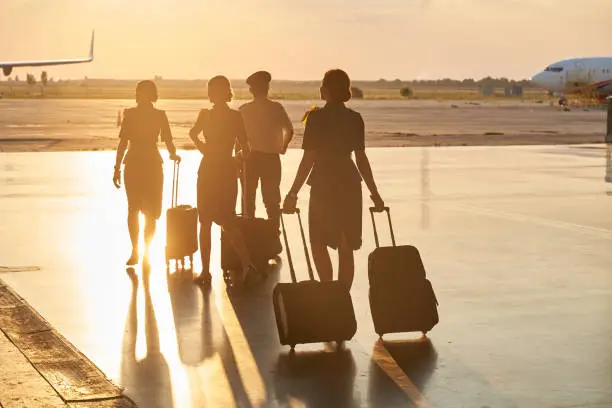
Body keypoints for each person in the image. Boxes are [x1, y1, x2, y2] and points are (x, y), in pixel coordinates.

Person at [282, 69, 385, 290]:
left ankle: (328, 291)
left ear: (325, 91)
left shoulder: (316, 118)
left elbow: (308, 159)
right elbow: (361, 159)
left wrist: (292, 193)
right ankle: (343, 296)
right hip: (349, 183)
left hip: (323, 183)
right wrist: (374, 194)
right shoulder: (355, 118)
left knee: (318, 241)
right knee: (345, 243)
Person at [189, 75, 259, 288]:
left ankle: (206, 271)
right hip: (227, 169)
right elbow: (246, 147)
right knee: (228, 221)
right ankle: (247, 263)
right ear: (227, 92)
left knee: (205, 222)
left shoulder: (205, 115)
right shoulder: (235, 117)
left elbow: (193, 134)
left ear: (211, 93)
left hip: (209, 168)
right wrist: (236, 157)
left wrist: (204, 148)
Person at [114, 80, 180, 266]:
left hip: (141, 163)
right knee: (137, 209)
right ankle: (137, 250)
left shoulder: (152, 115)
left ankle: (144, 250)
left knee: (146, 211)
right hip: (143, 163)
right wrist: (116, 167)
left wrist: (173, 154)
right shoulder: (135, 114)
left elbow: (167, 139)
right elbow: (123, 143)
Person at [239, 71, 294, 232]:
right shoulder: (276, 107)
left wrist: (239, 155)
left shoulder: (244, 109)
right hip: (271, 158)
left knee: (248, 198)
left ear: (251, 90)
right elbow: (289, 130)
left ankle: (249, 233)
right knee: (271, 200)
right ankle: (273, 233)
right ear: (267, 88)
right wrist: (283, 147)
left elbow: (239, 136)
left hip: (250, 158)